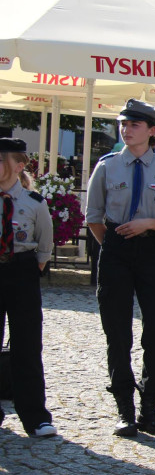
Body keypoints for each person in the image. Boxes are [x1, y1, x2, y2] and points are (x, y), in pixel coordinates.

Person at [86, 99, 155, 437]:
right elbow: (94, 219)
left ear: (151, 131)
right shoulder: (107, 166)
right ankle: (125, 409)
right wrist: (117, 245)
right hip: (116, 249)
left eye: (134, 125)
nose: (126, 130)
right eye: (123, 124)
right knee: (117, 333)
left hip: (151, 251)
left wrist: (147, 223)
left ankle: (150, 406)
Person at [0, 138, 56, 438]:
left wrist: (31, 269)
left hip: (22, 269)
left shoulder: (34, 203)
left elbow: (44, 245)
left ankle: (35, 416)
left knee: (27, 345)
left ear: (18, 165)